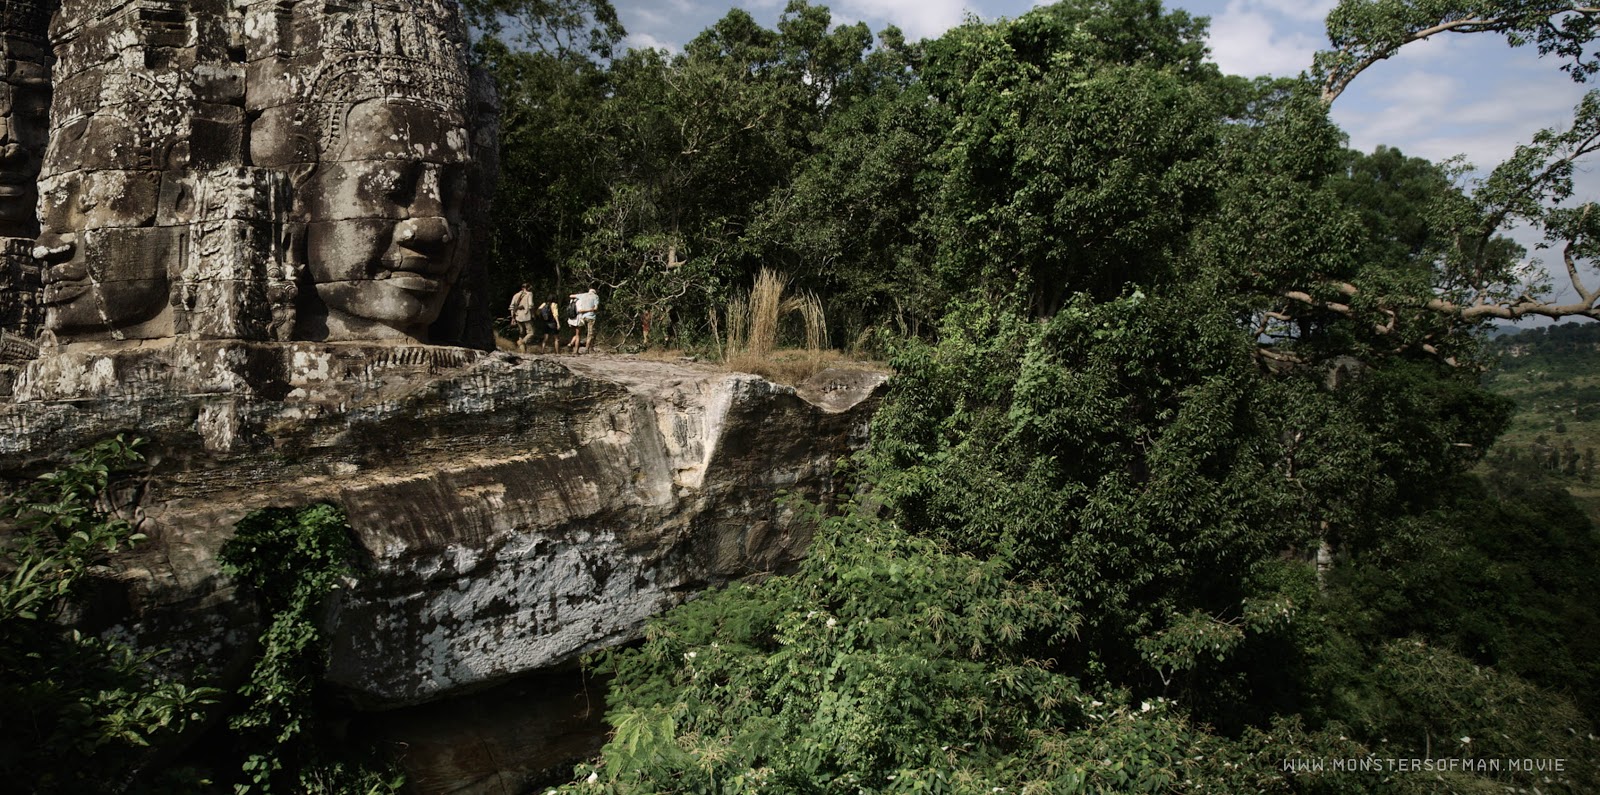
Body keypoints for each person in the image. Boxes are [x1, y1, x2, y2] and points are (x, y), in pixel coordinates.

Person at [568, 286, 599, 354]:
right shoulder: (595, 297)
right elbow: (596, 308)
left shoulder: (583, 295)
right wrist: (591, 309)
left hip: (582, 317)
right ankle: (587, 349)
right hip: (591, 317)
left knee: (578, 333)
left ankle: (571, 343)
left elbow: (571, 295)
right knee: (590, 334)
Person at [508, 282, 536, 350]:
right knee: (531, 332)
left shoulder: (516, 295)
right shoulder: (529, 294)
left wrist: (513, 317)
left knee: (521, 333)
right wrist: (533, 314)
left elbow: (511, 307)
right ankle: (521, 342)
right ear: (528, 288)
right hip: (526, 316)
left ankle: (522, 351)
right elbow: (530, 305)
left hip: (518, 316)